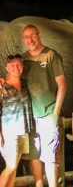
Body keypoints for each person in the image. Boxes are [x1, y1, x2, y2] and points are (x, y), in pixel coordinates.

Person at [21, 24, 67, 187]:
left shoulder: (51, 55)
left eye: (32, 35)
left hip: (48, 113)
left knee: (50, 156)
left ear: (39, 35)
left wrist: (56, 111)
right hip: (29, 115)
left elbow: (62, 85)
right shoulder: (23, 59)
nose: (30, 40)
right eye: (26, 37)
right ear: (23, 40)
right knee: (34, 155)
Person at [0, 54, 41, 187]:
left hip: (24, 131)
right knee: (10, 167)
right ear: (6, 67)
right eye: (12, 65)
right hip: (9, 133)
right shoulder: (2, 87)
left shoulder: (25, 85)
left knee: (14, 168)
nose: (16, 68)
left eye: (19, 65)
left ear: (22, 66)